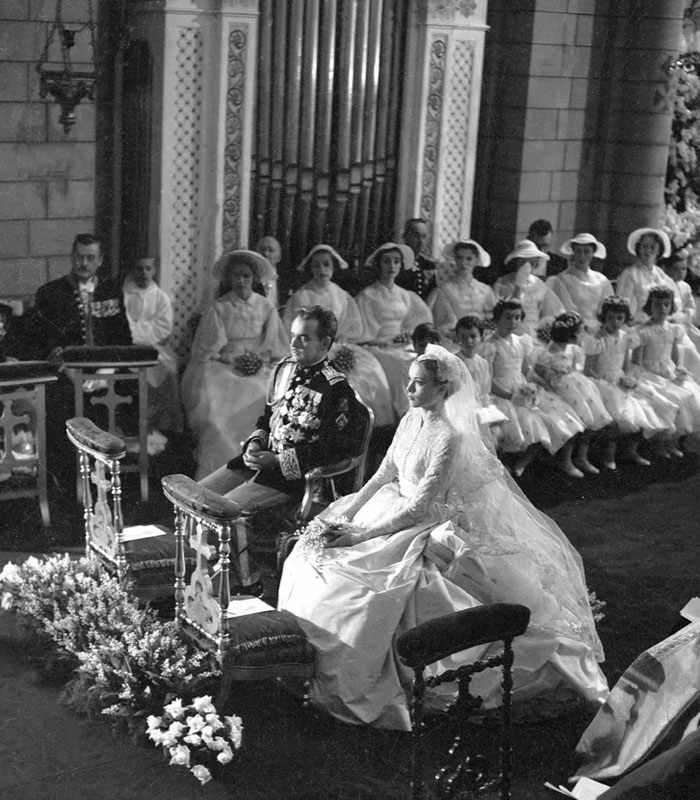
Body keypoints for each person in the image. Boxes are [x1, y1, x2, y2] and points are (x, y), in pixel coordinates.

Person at [278, 344, 608, 731]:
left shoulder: (450, 436)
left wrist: (360, 537)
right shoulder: (410, 420)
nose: (410, 391)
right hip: (387, 506)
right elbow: (384, 475)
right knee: (311, 553)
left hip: (420, 522)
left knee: (364, 591)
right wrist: (347, 514)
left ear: (443, 389)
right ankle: (302, 658)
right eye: (410, 382)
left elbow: (419, 508)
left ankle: (361, 680)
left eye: (419, 384)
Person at [198, 306, 365, 579]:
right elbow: (267, 418)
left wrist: (277, 460)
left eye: (304, 338)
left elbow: (336, 448)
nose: (294, 343)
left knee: (224, 515)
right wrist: (255, 444)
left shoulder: (336, 388)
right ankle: (202, 574)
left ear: (325, 343)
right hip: (258, 461)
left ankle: (245, 584)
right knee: (197, 498)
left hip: (291, 477)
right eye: (293, 335)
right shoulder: (285, 370)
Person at [181, 250, 289, 479]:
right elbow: (209, 347)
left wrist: (261, 358)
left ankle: (260, 463)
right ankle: (222, 469)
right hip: (225, 362)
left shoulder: (265, 306)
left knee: (263, 392)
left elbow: (273, 344)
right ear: (229, 279)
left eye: (245, 276)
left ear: (254, 279)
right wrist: (229, 358)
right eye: (236, 276)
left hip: (259, 361)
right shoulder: (219, 307)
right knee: (218, 403)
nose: (240, 281)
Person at [282, 244, 394, 427]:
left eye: (326, 265)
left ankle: (365, 425)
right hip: (312, 349)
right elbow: (293, 328)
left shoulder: (341, 295)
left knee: (370, 369)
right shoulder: (302, 296)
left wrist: (341, 342)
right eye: (316, 265)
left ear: (333, 268)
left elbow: (352, 325)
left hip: (339, 344)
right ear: (310, 268)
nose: (322, 270)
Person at [583, 296, 668, 469]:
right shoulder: (596, 339)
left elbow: (626, 365)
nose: (615, 322)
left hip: (619, 380)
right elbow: (588, 369)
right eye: (610, 318)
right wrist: (607, 384)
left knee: (645, 408)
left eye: (620, 318)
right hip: (599, 382)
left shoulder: (625, 337)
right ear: (603, 317)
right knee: (615, 416)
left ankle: (627, 450)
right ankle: (602, 455)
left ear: (625, 319)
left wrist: (627, 379)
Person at [356, 242, 433, 418]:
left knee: (422, 361)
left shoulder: (405, 295)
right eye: (386, 261)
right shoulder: (368, 295)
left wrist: (408, 335)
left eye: (396, 261)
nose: (392, 266)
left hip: (402, 345)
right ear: (378, 264)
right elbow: (363, 332)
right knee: (402, 365)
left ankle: (426, 411)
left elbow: (417, 321)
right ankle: (406, 414)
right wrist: (384, 341)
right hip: (377, 347)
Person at [534, 312, 613, 476]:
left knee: (590, 421)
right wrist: (552, 379)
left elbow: (577, 370)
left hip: (578, 389)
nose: (581, 336)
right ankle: (565, 460)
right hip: (559, 392)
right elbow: (538, 373)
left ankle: (581, 457)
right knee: (575, 424)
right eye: (578, 332)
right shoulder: (548, 353)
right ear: (568, 334)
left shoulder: (576, 350)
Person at [30, 233, 132, 359]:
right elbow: (41, 337)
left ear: (100, 260)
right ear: (72, 258)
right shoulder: (50, 292)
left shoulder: (111, 290)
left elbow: (122, 335)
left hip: (107, 367)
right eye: (79, 257)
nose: (84, 263)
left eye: (90, 258)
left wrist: (108, 369)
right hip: (66, 367)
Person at [630, 287, 700, 457]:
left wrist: (678, 369)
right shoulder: (643, 330)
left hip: (668, 370)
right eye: (657, 305)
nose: (662, 309)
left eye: (666, 305)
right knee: (665, 400)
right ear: (649, 307)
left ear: (671, 307)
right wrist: (646, 374)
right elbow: (637, 360)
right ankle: (657, 443)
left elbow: (675, 356)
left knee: (689, 394)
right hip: (650, 372)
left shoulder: (674, 329)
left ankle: (673, 441)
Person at [122, 256, 183, 434]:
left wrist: (141, 333)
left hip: (154, 347)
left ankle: (161, 424)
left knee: (166, 370)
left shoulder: (160, 297)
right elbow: (124, 324)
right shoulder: (125, 294)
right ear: (134, 271)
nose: (144, 273)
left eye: (148, 269)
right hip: (130, 347)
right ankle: (133, 424)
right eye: (139, 269)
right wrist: (136, 334)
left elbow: (164, 328)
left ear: (154, 271)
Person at [427, 240, 496, 343]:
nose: (463, 263)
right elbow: (438, 324)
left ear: (476, 260)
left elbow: (492, 321)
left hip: (481, 342)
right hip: (454, 342)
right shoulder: (444, 289)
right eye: (459, 258)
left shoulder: (485, 290)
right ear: (454, 258)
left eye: (469, 259)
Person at [494, 240, 564, 336]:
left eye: (531, 263)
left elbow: (551, 310)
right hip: (510, 331)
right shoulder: (502, 282)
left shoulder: (539, 284)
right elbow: (505, 310)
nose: (527, 267)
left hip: (533, 333)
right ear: (516, 262)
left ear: (536, 264)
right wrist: (519, 284)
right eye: (522, 262)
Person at [547, 233, 614, 331]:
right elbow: (564, 309)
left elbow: (609, 308)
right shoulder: (562, 279)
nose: (582, 256)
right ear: (573, 252)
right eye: (578, 251)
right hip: (573, 330)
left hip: (599, 330)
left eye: (586, 252)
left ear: (593, 253)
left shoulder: (602, 280)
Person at [395, 218, 438, 301]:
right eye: (416, 236)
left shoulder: (428, 264)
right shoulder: (396, 261)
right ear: (405, 236)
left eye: (424, 236)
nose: (421, 241)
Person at [253, 235, 282, 308]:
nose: (266, 254)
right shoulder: (249, 279)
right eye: (262, 250)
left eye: (270, 250)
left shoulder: (288, 280)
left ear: (279, 257)